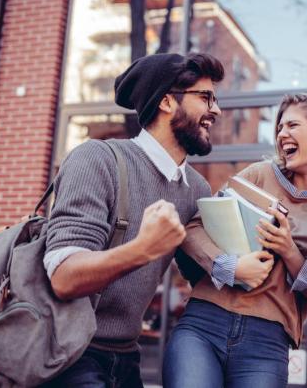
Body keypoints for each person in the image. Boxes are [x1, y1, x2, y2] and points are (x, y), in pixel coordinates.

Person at [43, 52, 225, 387]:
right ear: (167, 102)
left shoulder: (195, 187)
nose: (215, 109)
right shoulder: (98, 159)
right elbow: (64, 277)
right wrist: (143, 249)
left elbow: (202, 277)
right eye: (205, 97)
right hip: (67, 353)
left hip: (127, 356)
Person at [164, 94, 307, 388]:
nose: (281, 134)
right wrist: (230, 266)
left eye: (292, 125)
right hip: (204, 322)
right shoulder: (259, 174)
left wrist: (289, 251)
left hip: (267, 341)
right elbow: (193, 229)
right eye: (279, 127)